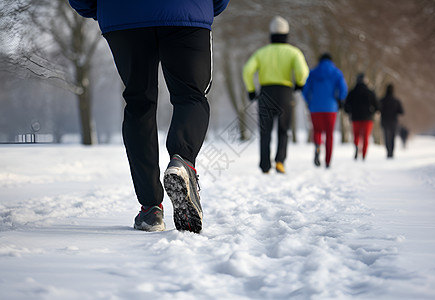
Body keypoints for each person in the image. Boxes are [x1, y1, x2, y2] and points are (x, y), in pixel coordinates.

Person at [68, 0, 229, 233]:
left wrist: (101, 7)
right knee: (191, 96)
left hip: (123, 15)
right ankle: (182, 160)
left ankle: (151, 208)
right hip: (187, 10)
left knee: (139, 102)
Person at [242, 16, 309, 174]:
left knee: (265, 131)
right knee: (283, 130)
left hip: (266, 93)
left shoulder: (261, 53)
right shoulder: (294, 52)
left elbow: (247, 71)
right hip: (285, 93)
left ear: (271, 34)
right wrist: (299, 84)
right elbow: (303, 71)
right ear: (287, 35)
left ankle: (265, 165)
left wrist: (251, 90)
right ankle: (280, 162)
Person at [302, 53, 348, 168]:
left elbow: (305, 89)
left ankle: (317, 146)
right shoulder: (337, 72)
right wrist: (340, 100)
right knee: (329, 134)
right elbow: (343, 89)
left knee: (317, 131)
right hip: (331, 108)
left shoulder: (313, 73)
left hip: (315, 107)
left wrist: (309, 101)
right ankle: (327, 161)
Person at [344, 73, 379, 160]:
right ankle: (363, 154)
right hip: (367, 118)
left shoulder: (352, 92)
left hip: (355, 117)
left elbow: (346, 104)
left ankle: (356, 145)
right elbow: (377, 105)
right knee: (366, 137)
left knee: (356, 135)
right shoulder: (370, 92)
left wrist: (349, 112)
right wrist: (373, 112)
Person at [380, 84, 404, 158]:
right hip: (393, 121)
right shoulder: (396, 101)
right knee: (393, 137)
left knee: (386, 136)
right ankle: (392, 152)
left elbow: (378, 109)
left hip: (384, 121)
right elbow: (401, 112)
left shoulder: (382, 100)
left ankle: (388, 151)